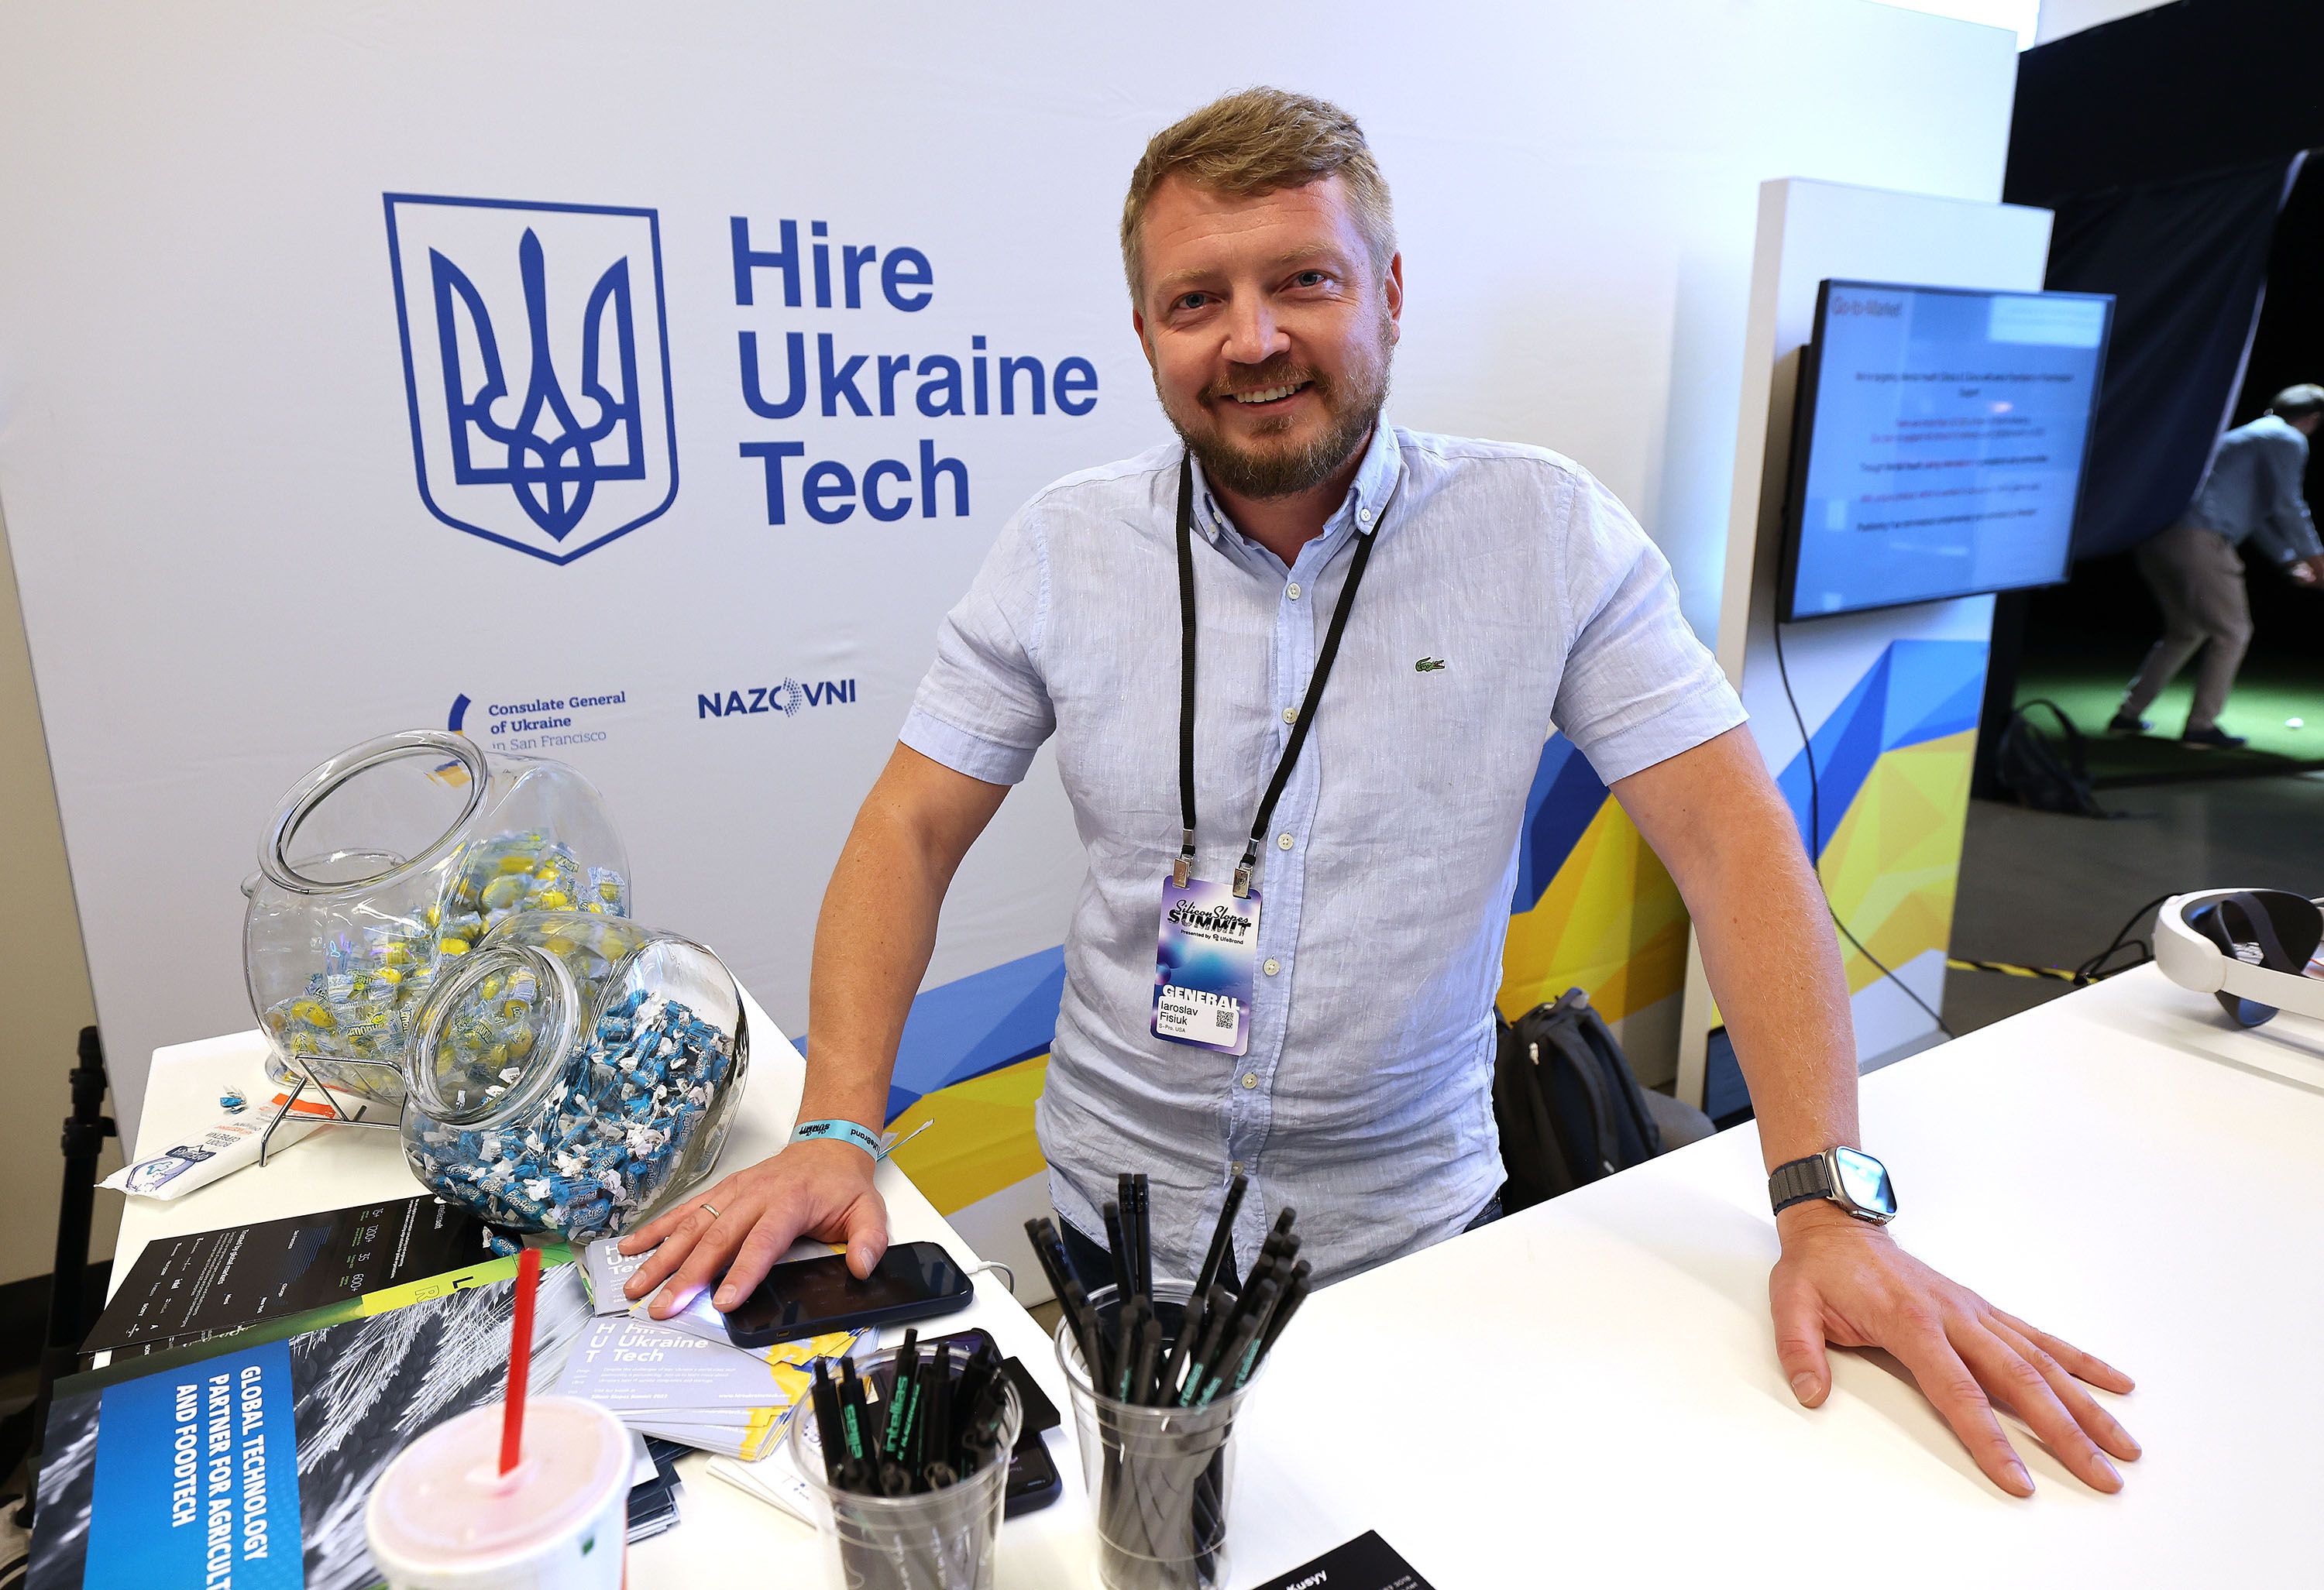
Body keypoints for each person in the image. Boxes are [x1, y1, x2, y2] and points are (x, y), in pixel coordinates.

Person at [623, 88, 2139, 1497]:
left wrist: (1822, 1194)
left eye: (1306, 280)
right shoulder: (1059, 550)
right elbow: (909, 825)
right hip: (1109, 1230)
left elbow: (1734, 845)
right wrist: (839, 1121)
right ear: (1147, 333)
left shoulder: (1544, 534)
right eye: (1197, 300)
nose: (1253, 337)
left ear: (1392, 295)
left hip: (1418, 1247)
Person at [2111, 385, 2324, 747]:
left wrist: (2290, 561)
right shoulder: (2288, 439)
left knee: (2186, 630)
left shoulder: (2244, 437)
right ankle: (2200, 728)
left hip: (2157, 537)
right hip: (2198, 539)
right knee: (2233, 632)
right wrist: (2319, 562)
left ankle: (2128, 714)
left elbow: (2258, 513)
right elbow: (2288, 505)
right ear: (2314, 419)